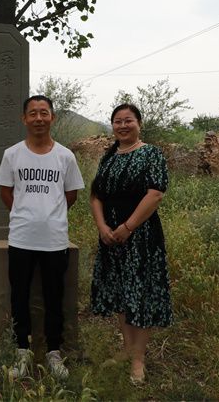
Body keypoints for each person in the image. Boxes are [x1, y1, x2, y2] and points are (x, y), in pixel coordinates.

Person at [0, 95, 85, 381]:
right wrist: (25, 214)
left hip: (54, 240)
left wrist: (51, 215)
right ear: (24, 118)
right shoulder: (12, 154)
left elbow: (71, 194)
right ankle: (22, 351)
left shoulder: (65, 156)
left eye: (44, 113)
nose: (38, 118)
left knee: (54, 297)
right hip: (21, 238)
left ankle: (53, 352)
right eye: (32, 113)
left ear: (52, 117)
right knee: (19, 296)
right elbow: (6, 192)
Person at [89, 103, 173, 385]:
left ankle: (138, 359)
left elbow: (155, 194)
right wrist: (102, 227)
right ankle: (127, 349)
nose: (122, 126)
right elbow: (96, 196)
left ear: (139, 123)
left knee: (141, 295)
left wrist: (127, 227)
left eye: (128, 120)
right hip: (111, 238)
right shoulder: (109, 157)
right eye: (117, 121)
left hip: (141, 237)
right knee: (122, 294)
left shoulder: (151, 154)